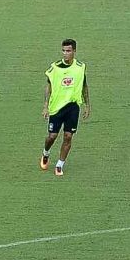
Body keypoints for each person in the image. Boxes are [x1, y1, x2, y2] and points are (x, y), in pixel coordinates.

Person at [40, 40, 89, 176]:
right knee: (52, 136)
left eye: (68, 51)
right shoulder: (55, 67)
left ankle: (60, 164)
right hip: (56, 108)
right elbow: (48, 86)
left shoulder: (80, 67)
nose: (65, 54)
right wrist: (45, 106)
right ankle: (46, 153)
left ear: (74, 51)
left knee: (68, 137)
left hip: (73, 107)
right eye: (64, 51)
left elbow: (84, 86)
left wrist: (87, 105)